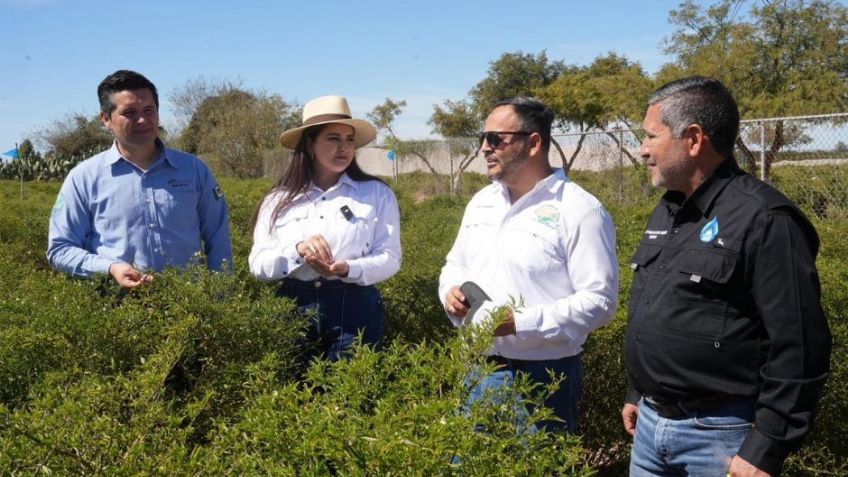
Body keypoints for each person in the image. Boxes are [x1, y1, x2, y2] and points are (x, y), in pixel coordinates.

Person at [622, 76, 831, 477]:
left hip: (719, 437)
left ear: (694, 139)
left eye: (651, 136)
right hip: (649, 428)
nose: (643, 150)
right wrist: (640, 391)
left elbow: (800, 346)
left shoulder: (765, 219)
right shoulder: (669, 209)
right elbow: (658, 306)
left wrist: (765, 448)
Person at [439, 97, 619, 433]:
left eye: (495, 139)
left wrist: (518, 322)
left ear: (534, 142)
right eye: (483, 138)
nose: (484, 148)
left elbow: (600, 302)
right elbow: (455, 263)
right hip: (476, 370)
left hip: (543, 378)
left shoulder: (579, 210)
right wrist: (449, 292)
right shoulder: (482, 202)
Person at [249, 95, 401, 362]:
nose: (344, 147)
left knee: (351, 395)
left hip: (355, 307)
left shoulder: (377, 194)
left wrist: (348, 269)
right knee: (295, 393)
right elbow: (257, 264)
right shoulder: (278, 200)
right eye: (333, 139)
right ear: (310, 144)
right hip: (294, 305)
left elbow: (391, 258)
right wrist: (297, 252)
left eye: (349, 139)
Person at [47, 70, 233, 288]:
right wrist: (109, 268)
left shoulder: (194, 170)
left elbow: (219, 239)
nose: (143, 120)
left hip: (190, 308)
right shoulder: (83, 178)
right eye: (129, 113)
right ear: (106, 119)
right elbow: (60, 249)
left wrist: (220, 298)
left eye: (148, 110)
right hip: (117, 310)